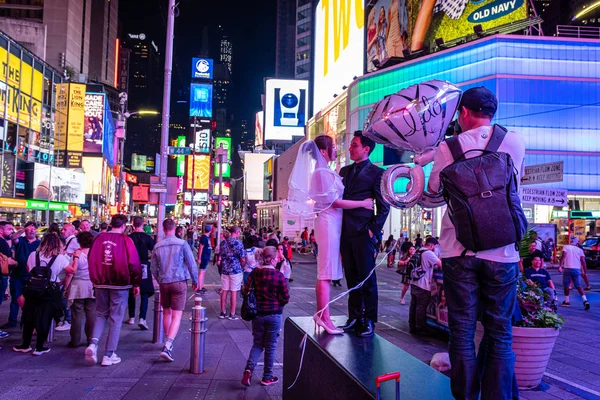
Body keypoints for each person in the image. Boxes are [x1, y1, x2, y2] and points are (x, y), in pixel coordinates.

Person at [428, 87, 525, 399]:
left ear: (464, 113)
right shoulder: (515, 142)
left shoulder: (448, 148)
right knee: (500, 333)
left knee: (462, 331)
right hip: (503, 253)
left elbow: (432, 193)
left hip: (459, 251)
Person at [289, 136, 376, 334]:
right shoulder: (321, 172)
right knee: (325, 273)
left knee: (327, 271)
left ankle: (324, 315)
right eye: (333, 146)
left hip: (334, 224)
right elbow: (334, 202)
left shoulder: (326, 170)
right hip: (328, 223)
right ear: (323, 151)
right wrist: (363, 203)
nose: (337, 149)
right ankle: (324, 316)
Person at [337, 132, 389, 337]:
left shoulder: (378, 173)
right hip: (344, 231)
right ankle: (354, 316)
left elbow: (384, 206)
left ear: (366, 149)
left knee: (367, 278)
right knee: (351, 276)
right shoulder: (344, 170)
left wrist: (372, 230)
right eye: (351, 145)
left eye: (354, 145)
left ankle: (368, 320)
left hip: (363, 232)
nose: (350, 148)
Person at [85, 214, 142, 366]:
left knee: (100, 314)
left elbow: (90, 259)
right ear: (123, 226)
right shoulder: (126, 240)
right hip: (120, 283)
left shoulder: (98, 239)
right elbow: (134, 264)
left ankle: (93, 344)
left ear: (111, 224)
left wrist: (94, 279)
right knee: (116, 318)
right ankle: (109, 354)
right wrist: (136, 283)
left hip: (100, 282)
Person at [13, 233, 70, 355]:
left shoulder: (34, 254)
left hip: (32, 288)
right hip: (49, 290)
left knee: (29, 315)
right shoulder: (60, 258)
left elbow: (29, 269)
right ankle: (39, 347)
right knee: (45, 317)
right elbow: (71, 270)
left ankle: (25, 344)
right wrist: (62, 283)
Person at [241, 246, 290, 387]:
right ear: (273, 259)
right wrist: (278, 302)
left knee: (257, 344)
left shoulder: (255, 273)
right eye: (277, 258)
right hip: (274, 314)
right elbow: (285, 298)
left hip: (257, 314)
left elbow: (245, 291)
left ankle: (248, 370)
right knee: (271, 346)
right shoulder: (279, 276)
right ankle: (267, 377)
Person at [151, 218, 198, 362]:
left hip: (164, 282)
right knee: (177, 315)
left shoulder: (157, 246)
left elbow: (153, 268)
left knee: (167, 312)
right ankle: (168, 345)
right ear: (175, 228)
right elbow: (191, 263)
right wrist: (195, 281)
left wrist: (160, 279)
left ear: (163, 229)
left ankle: (167, 341)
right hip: (179, 281)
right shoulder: (182, 244)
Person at [2, 221, 39, 330]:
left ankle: (27, 320)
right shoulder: (21, 240)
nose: (32, 230)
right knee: (15, 299)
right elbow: (13, 238)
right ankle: (12, 321)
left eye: (34, 228)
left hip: (32, 276)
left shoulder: (39, 243)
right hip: (18, 275)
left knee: (30, 300)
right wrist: (23, 229)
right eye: (30, 228)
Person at [65, 231, 96, 347]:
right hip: (92, 285)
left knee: (76, 314)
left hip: (77, 286)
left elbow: (70, 272)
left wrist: (65, 288)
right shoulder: (95, 254)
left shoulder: (76, 255)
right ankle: (91, 339)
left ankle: (75, 340)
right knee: (91, 314)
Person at [127, 216, 156, 330]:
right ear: (143, 224)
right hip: (144, 264)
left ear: (133, 224)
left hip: (131, 265)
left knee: (131, 291)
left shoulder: (129, 238)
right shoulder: (147, 238)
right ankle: (142, 318)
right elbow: (153, 251)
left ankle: (131, 317)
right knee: (144, 292)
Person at [409, 237, 442, 335]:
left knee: (413, 305)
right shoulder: (429, 253)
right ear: (432, 245)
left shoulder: (418, 250)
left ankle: (412, 326)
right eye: (435, 247)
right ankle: (420, 328)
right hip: (423, 284)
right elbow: (441, 265)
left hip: (414, 282)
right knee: (421, 306)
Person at [219, 226, 246, 320]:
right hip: (235, 270)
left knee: (224, 290)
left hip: (225, 270)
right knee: (234, 292)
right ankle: (232, 313)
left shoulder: (223, 243)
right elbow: (242, 258)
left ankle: (223, 312)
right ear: (237, 232)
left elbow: (221, 256)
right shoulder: (238, 243)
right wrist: (243, 266)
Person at [559, 238, 590, 310]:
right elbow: (583, 261)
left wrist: (560, 266)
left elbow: (563, 256)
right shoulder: (580, 250)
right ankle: (585, 300)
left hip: (567, 268)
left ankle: (567, 301)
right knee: (578, 286)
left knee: (566, 285)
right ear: (577, 244)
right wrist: (585, 272)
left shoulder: (566, 247)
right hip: (576, 269)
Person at [196, 225, 212, 294]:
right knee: (201, 272)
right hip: (204, 256)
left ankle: (201, 286)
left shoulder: (206, 237)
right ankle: (199, 288)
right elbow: (201, 248)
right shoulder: (204, 238)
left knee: (203, 272)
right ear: (210, 230)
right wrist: (199, 258)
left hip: (206, 256)